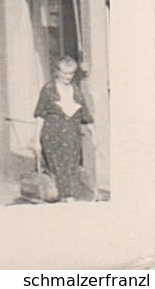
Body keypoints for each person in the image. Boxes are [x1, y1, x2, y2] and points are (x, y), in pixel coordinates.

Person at [35, 55, 96, 202]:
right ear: (57, 72)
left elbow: (85, 114)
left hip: (72, 137)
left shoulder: (75, 90)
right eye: (64, 73)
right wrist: (36, 140)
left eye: (71, 74)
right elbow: (40, 115)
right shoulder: (49, 89)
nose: (68, 77)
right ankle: (67, 199)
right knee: (59, 168)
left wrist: (94, 135)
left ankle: (68, 198)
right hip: (53, 136)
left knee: (72, 167)